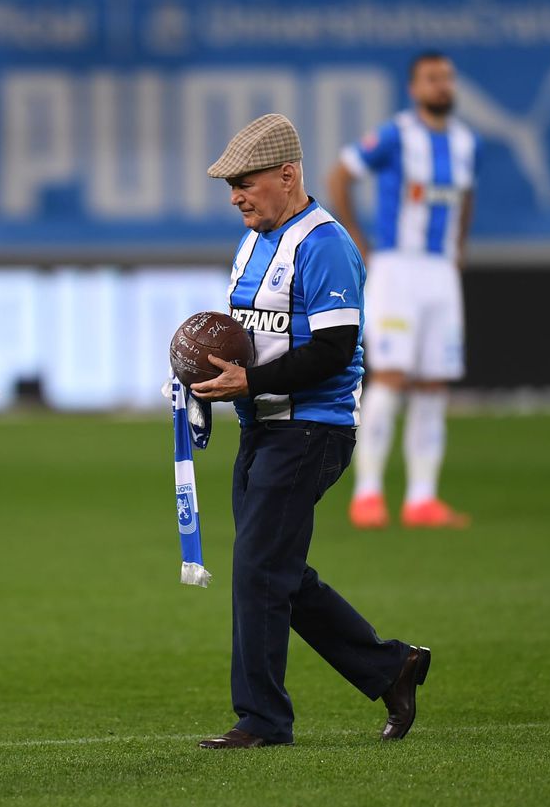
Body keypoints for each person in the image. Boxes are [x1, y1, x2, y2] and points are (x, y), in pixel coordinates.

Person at [191, 113, 429, 749]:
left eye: (245, 183)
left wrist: (248, 382)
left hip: (311, 430)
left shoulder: (323, 244)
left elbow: (335, 349)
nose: (235, 197)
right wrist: (200, 377)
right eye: (231, 186)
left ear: (288, 175)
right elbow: (247, 340)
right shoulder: (252, 242)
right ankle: (391, 666)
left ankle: (263, 720)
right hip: (262, 430)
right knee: (277, 571)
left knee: (258, 569)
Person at [327, 50, 477, 529]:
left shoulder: (464, 141)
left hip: (440, 273)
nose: (442, 86)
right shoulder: (395, 135)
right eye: (432, 78)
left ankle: (422, 499)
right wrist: (359, 241)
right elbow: (340, 175)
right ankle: (367, 495)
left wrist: (458, 247)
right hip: (396, 269)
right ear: (414, 89)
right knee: (391, 376)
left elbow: (466, 196)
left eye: (446, 78)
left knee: (434, 382)